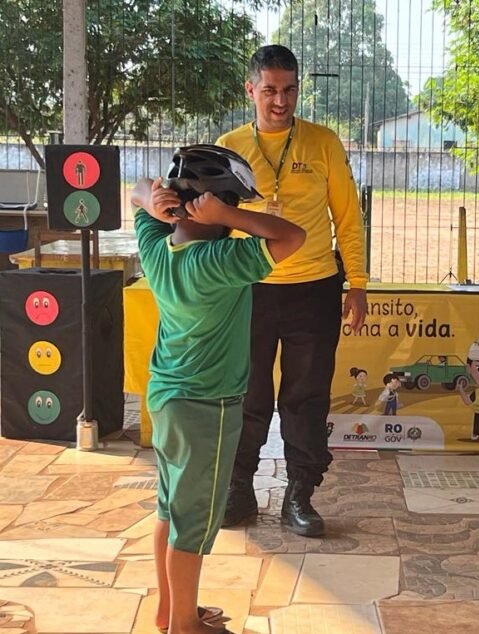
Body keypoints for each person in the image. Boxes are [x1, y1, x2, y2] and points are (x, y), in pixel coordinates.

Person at [131, 145, 305, 634]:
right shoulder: (220, 260)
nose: (233, 220)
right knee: (192, 524)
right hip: (207, 409)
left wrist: (152, 201)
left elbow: (137, 193)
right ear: (215, 206)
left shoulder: (158, 247)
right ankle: (185, 626)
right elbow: (293, 236)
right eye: (232, 206)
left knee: (170, 510)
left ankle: (171, 611)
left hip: (167, 399)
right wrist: (230, 215)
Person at [217, 44, 368, 536]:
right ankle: (239, 489)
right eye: (270, 91)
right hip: (248, 289)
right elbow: (213, 223)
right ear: (250, 90)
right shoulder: (230, 146)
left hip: (314, 289)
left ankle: (300, 494)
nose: (280, 101)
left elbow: (348, 218)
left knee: (306, 397)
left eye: (289, 90)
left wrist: (358, 284)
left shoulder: (323, 142)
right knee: (247, 393)